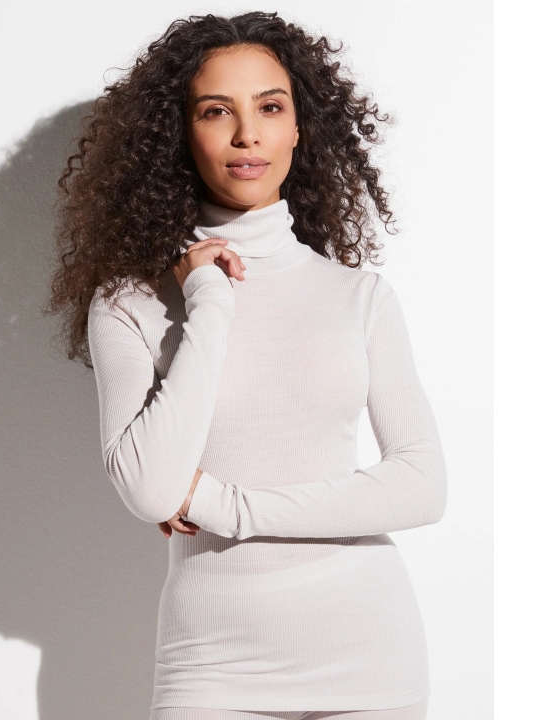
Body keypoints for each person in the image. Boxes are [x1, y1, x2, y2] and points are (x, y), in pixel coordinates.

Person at [46, 11, 447, 720]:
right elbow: (149, 491)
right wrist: (208, 298)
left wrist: (224, 505)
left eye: (269, 107)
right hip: (212, 663)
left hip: (369, 652)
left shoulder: (358, 296)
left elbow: (422, 486)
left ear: (298, 129)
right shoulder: (131, 301)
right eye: (215, 111)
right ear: (180, 133)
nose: (246, 135)